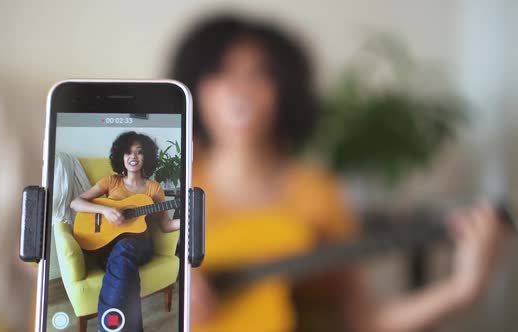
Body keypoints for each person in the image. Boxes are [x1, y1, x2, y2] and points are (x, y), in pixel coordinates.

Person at [169, 15, 506, 332]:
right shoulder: (166, 186)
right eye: (219, 73)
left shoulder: (317, 193)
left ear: (285, 90)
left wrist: (463, 289)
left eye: (259, 75)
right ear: (195, 87)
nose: (238, 91)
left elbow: (363, 320)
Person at [70, 131, 180, 332]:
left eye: (139, 152)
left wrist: (188, 220)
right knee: (121, 261)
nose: (133, 157)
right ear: (121, 156)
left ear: (146, 156)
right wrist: (105, 209)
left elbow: (165, 225)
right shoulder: (110, 181)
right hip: (105, 249)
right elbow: (76, 203)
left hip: (140, 246)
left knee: (124, 249)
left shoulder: (154, 189)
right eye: (128, 152)